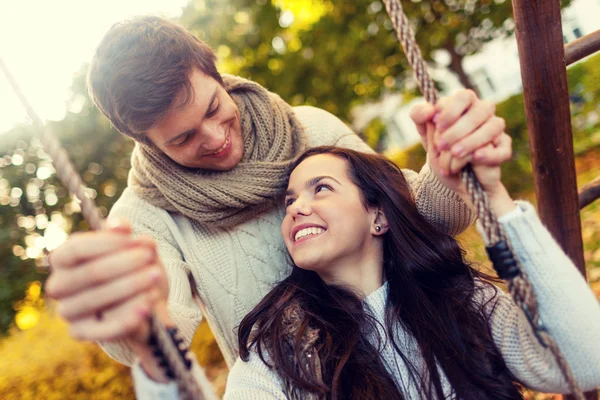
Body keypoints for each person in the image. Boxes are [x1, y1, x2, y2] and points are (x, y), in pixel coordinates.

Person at [44, 16, 511, 382]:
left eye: (213, 108)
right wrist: (136, 321)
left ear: (217, 74)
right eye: (183, 138)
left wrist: (449, 171)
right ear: (146, 142)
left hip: (423, 367)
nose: (215, 139)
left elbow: (422, 221)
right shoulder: (144, 216)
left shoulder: (311, 128)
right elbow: (163, 336)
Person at [133, 144, 600, 399]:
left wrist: (494, 198)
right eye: (290, 201)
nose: (297, 209)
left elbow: (584, 361)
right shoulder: (279, 354)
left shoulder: (462, 299)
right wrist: (155, 355)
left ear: (379, 215)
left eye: (321, 188)